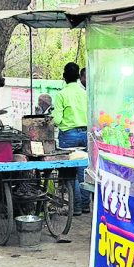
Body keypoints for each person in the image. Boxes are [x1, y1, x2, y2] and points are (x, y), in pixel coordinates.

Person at [52, 62, 89, 215]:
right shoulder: (85, 93)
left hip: (69, 136)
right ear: (78, 77)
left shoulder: (61, 94)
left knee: (70, 173)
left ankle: (76, 207)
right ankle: (86, 205)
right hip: (86, 134)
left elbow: (57, 119)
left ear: (64, 77)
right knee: (83, 171)